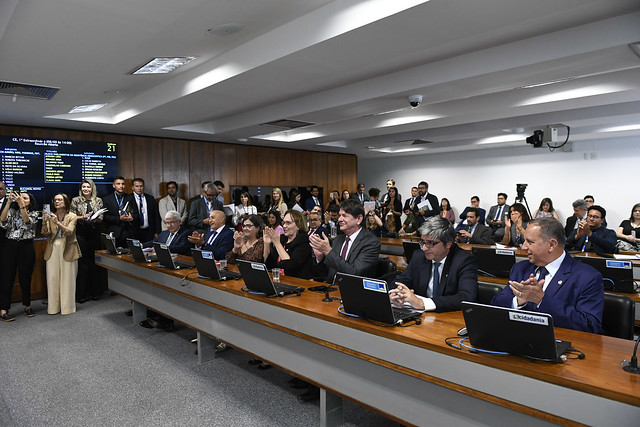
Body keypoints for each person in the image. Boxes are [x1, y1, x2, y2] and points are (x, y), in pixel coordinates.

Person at [492, 218, 604, 333]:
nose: (524, 247)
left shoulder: (587, 277)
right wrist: (518, 301)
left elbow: (589, 324)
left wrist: (542, 300)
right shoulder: (520, 268)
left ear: (551, 245)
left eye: (530, 242)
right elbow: (496, 304)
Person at [390, 216, 478, 312]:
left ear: (448, 244)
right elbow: (401, 280)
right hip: (419, 316)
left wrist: (422, 303)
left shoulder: (464, 260)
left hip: (447, 317)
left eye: (430, 243)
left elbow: (466, 297)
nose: (424, 248)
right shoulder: (419, 256)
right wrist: (395, 293)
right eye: (423, 242)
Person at [309, 198, 381, 283]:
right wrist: (320, 258)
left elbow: (355, 274)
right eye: (340, 215)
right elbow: (326, 275)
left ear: (359, 219)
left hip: (352, 289)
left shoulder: (371, 242)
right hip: (331, 288)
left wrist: (328, 251)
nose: (339, 219)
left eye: (344, 216)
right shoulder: (338, 239)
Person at [0, 191, 39, 321]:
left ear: (30, 201)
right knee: (7, 278)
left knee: (25, 278)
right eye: (20, 197)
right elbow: (2, 220)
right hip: (10, 246)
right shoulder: (12, 211)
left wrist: (21, 205)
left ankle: (27, 306)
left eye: (25, 198)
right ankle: (3, 309)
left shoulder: (34, 213)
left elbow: (27, 221)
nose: (21, 199)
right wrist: (9, 202)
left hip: (26, 246)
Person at [41, 193, 81, 316]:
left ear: (66, 202)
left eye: (60, 200)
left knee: (67, 279)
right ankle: (53, 308)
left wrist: (57, 222)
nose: (57, 202)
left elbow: (70, 231)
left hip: (68, 248)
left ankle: (67, 308)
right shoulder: (50, 215)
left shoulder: (72, 216)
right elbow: (45, 233)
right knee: (52, 278)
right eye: (55, 200)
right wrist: (44, 222)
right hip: (53, 247)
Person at [70, 179, 104, 303]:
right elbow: (71, 217)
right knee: (83, 264)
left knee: (94, 263)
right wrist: (83, 217)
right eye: (84, 187)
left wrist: (95, 219)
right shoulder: (75, 200)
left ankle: (95, 292)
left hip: (94, 234)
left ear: (92, 188)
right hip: (81, 234)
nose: (86, 189)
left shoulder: (98, 200)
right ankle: (82, 294)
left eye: (88, 187)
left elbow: (101, 217)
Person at [264, 210, 314, 279]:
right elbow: (268, 264)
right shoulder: (282, 239)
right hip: (279, 280)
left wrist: (277, 243)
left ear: (298, 225)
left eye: (288, 223)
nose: (284, 226)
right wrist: (267, 244)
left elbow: (290, 266)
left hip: (297, 281)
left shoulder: (303, 241)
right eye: (283, 223)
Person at [102, 176, 137, 247]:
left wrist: (132, 218)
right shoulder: (107, 199)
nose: (121, 186)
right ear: (113, 185)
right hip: (114, 232)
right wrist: (119, 218)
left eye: (123, 184)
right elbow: (105, 217)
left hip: (128, 233)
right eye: (118, 184)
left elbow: (136, 214)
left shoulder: (130, 197)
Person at [131, 177, 161, 244]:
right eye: (137, 186)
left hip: (149, 232)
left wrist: (157, 232)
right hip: (134, 232)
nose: (139, 188)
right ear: (132, 187)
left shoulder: (150, 198)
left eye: (141, 186)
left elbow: (156, 216)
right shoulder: (128, 198)